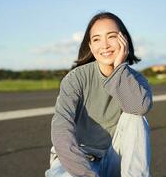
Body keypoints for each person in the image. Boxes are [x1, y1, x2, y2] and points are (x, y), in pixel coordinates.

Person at [45, 12, 153, 177]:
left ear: (124, 39)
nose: (104, 45)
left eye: (111, 36)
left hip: (113, 159)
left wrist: (119, 70)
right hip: (78, 162)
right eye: (96, 39)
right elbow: (61, 131)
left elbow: (140, 108)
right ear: (90, 46)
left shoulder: (136, 80)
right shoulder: (76, 78)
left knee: (135, 116)